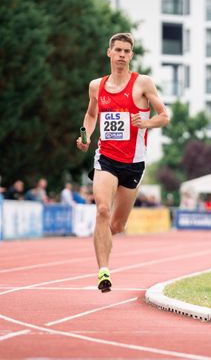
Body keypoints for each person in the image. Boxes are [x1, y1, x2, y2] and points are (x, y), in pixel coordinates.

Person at [76, 32, 169, 293]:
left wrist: (146, 122)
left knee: (116, 225)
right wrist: (85, 135)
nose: (122, 55)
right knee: (102, 211)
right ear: (109, 53)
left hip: (134, 162)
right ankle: (103, 271)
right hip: (105, 157)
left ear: (131, 55)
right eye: (117, 50)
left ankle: (104, 237)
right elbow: (91, 114)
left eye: (127, 51)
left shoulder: (143, 84)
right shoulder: (97, 86)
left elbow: (164, 116)